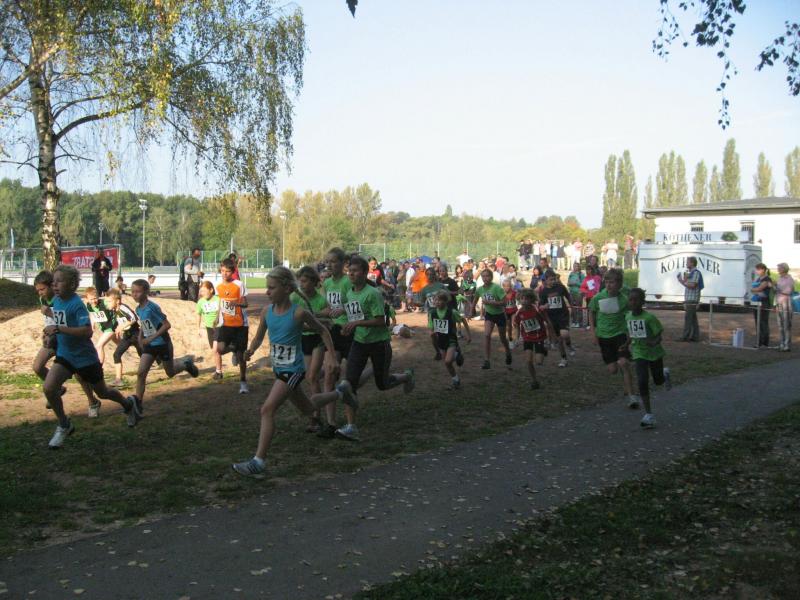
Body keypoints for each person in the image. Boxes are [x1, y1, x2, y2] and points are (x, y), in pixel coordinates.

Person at [232, 267, 338, 479]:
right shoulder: (267, 312)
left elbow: (323, 330)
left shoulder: (298, 313)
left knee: (267, 409)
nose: (267, 292)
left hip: (293, 370)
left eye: (271, 288)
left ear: (287, 289)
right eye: (267, 287)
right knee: (308, 408)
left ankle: (258, 462)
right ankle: (341, 392)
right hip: (279, 369)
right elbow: (259, 337)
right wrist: (251, 350)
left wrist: (332, 357)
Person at [311, 255, 415, 442]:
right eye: (350, 271)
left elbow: (380, 321)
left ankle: (406, 376)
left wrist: (356, 323)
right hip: (359, 342)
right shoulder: (350, 292)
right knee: (348, 384)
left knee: (382, 384)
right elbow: (354, 309)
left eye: (355, 271)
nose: (351, 274)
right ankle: (351, 426)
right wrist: (344, 315)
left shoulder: (373, 293)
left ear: (365, 272)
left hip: (379, 343)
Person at [42, 265, 140, 448]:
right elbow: (59, 318)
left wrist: (59, 329)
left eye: (59, 281)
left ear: (72, 284)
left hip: (85, 358)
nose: (54, 285)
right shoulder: (56, 300)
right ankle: (64, 424)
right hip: (65, 355)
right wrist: (49, 323)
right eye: (53, 282)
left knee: (103, 392)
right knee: (48, 388)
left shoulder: (77, 304)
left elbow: (87, 332)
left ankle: (128, 404)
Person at [32, 271, 100, 417]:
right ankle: (56, 388)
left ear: (51, 286)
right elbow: (50, 321)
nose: (40, 292)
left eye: (43, 289)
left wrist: (54, 324)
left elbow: (67, 321)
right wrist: (46, 334)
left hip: (66, 340)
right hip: (53, 340)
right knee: (37, 366)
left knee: (79, 375)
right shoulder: (44, 300)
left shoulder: (61, 299)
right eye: (38, 290)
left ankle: (92, 401)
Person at [129, 279, 199, 410]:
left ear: (146, 292)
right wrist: (140, 337)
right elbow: (144, 324)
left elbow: (167, 325)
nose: (134, 294)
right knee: (141, 373)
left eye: (138, 292)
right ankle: (138, 403)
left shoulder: (152, 307)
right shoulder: (138, 309)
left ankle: (186, 365)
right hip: (150, 346)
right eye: (132, 291)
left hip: (163, 344)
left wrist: (151, 338)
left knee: (170, 372)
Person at [588, 268, 639, 408]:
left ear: (620, 284)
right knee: (613, 369)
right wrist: (593, 333)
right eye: (607, 282)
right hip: (604, 337)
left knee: (624, 363)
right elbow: (591, 312)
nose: (609, 285)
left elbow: (630, 317)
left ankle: (632, 397)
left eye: (612, 282)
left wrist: (631, 335)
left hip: (619, 335)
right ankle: (626, 382)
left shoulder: (624, 300)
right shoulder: (598, 297)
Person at [623, 288, 672, 429]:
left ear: (642, 302)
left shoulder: (649, 318)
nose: (633, 302)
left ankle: (664, 374)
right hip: (639, 353)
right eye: (630, 299)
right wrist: (626, 344)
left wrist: (654, 342)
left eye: (636, 300)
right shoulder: (628, 317)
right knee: (642, 381)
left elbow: (659, 335)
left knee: (658, 381)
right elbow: (631, 333)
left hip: (654, 353)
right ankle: (649, 414)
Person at [291, 265, 332, 433]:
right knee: (310, 377)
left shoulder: (320, 299)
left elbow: (328, 315)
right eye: (300, 281)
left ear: (314, 282)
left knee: (312, 377)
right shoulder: (295, 297)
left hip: (317, 339)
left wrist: (314, 317)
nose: (302, 284)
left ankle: (316, 417)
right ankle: (325, 373)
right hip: (303, 339)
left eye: (305, 281)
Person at [214, 257, 250, 392]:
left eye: (227, 271)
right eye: (222, 271)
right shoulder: (218, 286)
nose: (224, 274)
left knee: (241, 357)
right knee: (220, 349)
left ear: (232, 272)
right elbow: (220, 303)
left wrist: (237, 303)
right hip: (226, 324)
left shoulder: (239, 285)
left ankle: (243, 382)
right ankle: (233, 348)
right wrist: (216, 318)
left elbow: (246, 303)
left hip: (241, 325)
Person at [428, 290, 471, 390]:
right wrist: (432, 333)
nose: (437, 302)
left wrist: (469, 335)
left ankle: (456, 352)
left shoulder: (452, 312)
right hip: (441, 340)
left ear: (445, 301)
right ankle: (456, 379)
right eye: (436, 300)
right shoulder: (432, 313)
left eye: (440, 300)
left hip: (451, 339)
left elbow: (463, 320)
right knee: (448, 363)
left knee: (447, 361)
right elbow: (431, 327)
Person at [513, 288, 551, 389]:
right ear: (519, 299)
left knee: (539, 362)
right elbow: (517, 326)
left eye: (526, 299)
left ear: (531, 299)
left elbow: (547, 322)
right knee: (528, 361)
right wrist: (517, 338)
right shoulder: (519, 312)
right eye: (522, 299)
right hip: (527, 338)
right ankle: (534, 381)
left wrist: (550, 337)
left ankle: (543, 350)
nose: (524, 301)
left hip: (539, 337)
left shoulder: (537, 310)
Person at [476, 268, 512, 369]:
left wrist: (491, 303)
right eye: (483, 276)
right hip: (489, 315)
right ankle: (487, 360)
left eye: (487, 276)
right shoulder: (480, 289)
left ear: (491, 277)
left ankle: (508, 352)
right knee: (487, 335)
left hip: (500, 315)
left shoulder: (497, 288)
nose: (485, 278)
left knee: (502, 338)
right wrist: (471, 310)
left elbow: (504, 302)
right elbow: (475, 297)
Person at [539, 269, 575, 367]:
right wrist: (544, 306)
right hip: (552, 317)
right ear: (546, 280)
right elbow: (540, 306)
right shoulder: (543, 291)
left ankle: (569, 345)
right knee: (559, 339)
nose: (553, 281)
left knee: (564, 334)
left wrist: (572, 306)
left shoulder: (560, 287)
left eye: (554, 279)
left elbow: (568, 296)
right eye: (551, 280)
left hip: (563, 314)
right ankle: (563, 358)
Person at [105, 288, 140, 388]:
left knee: (143, 354)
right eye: (106, 301)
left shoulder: (123, 308)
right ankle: (118, 380)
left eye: (109, 301)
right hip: (127, 337)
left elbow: (134, 318)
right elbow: (120, 322)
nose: (107, 304)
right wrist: (117, 329)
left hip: (136, 335)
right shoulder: (114, 310)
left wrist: (122, 327)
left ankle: (161, 362)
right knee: (116, 354)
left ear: (117, 301)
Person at [84, 286, 117, 366]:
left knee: (99, 346)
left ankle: (99, 367)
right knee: (121, 344)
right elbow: (92, 314)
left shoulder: (104, 303)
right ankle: (137, 346)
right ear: (87, 299)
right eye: (91, 299)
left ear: (98, 296)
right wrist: (92, 325)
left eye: (95, 298)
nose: (94, 301)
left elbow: (114, 304)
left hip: (111, 327)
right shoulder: (89, 306)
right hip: (104, 328)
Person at [195, 280, 223, 377]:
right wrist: (198, 328)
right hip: (209, 328)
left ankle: (234, 350)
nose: (202, 293)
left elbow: (222, 311)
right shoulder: (200, 302)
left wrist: (218, 318)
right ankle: (219, 372)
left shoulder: (218, 299)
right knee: (216, 351)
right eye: (201, 291)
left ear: (211, 290)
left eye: (204, 290)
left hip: (219, 327)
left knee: (215, 349)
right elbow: (198, 315)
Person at [677, 256, 703, 342]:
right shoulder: (691, 273)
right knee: (693, 319)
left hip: (692, 299)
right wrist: (683, 281)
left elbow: (692, 285)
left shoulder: (695, 273)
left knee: (688, 319)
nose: (686, 263)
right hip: (690, 298)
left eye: (687, 262)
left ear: (692, 263)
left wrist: (681, 281)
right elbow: (690, 285)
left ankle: (685, 336)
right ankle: (695, 336)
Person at [751, 263, 772, 348]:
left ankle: (764, 342)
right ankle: (759, 342)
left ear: (763, 270)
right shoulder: (758, 279)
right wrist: (755, 290)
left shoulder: (767, 279)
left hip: (764, 303)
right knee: (758, 322)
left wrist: (754, 289)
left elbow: (759, 288)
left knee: (763, 322)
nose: (756, 271)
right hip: (757, 302)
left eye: (757, 269)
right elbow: (755, 289)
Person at [775, 263, 794, 352]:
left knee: (786, 324)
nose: (778, 269)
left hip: (786, 303)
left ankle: (787, 344)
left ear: (784, 269)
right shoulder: (779, 278)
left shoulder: (789, 279)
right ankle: (781, 343)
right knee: (780, 325)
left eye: (779, 268)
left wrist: (776, 287)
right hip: (778, 302)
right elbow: (777, 291)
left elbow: (788, 291)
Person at [567, 262, 585, 328]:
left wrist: (576, 283)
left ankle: (579, 322)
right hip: (571, 292)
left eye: (576, 266)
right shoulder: (571, 274)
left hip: (578, 293)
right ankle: (574, 321)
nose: (574, 267)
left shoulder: (581, 274)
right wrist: (569, 284)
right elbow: (568, 283)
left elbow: (584, 284)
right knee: (573, 307)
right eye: (574, 266)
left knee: (579, 307)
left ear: (579, 267)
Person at [502, 278, 517, 347]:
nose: (506, 287)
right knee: (509, 326)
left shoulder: (514, 293)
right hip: (506, 312)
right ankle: (510, 339)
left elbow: (519, 299)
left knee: (514, 323)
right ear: (503, 286)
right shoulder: (502, 294)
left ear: (511, 286)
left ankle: (518, 338)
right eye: (505, 286)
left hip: (513, 311)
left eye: (508, 286)